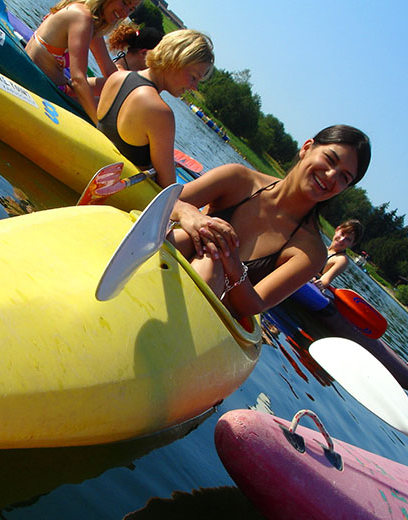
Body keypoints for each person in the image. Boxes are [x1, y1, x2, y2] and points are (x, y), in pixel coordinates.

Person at [168, 124, 371, 318]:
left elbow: (254, 305)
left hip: (211, 314)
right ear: (307, 148)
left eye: (344, 178)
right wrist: (188, 213)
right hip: (165, 266)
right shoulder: (239, 179)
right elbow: (162, 200)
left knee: (212, 259)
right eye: (329, 159)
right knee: (187, 236)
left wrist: (233, 266)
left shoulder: (310, 251)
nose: (331, 176)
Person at [97, 29, 214, 187]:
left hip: (97, 170)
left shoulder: (117, 77)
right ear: (175, 62)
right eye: (193, 77)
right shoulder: (160, 112)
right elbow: (167, 186)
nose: (194, 87)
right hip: (120, 193)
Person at [25, 0, 141, 123]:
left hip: (45, 78)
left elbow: (109, 70)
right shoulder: (82, 18)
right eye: (124, 3)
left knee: (115, 86)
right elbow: (78, 80)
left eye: (131, 9)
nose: (125, 13)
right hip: (43, 85)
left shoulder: (85, 14)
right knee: (113, 113)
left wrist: (132, 91)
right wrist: (98, 123)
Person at [313, 219, 363, 291]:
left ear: (353, 244)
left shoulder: (341, 259)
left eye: (348, 239)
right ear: (337, 229)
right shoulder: (321, 247)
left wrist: (320, 284)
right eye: (342, 234)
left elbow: (325, 280)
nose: (342, 239)